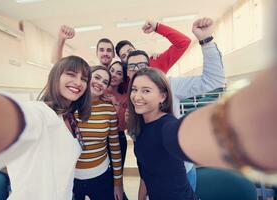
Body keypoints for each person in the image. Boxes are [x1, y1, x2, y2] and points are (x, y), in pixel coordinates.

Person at [127, 66, 277, 200]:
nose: (137, 96)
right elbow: (146, 173)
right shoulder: (140, 127)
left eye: (146, 90)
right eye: (134, 89)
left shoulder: (167, 126)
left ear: (163, 96)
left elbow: (183, 135)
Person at [126, 17, 225, 191]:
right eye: (131, 66)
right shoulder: (133, 97)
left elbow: (213, 80)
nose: (136, 69)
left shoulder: (170, 86)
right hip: (153, 176)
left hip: (180, 173)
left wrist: (206, 40)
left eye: (142, 64)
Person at [0, 55, 92, 200]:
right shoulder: (39, 112)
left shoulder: (68, 117)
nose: (78, 82)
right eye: (71, 74)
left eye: (84, 79)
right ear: (55, 77)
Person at [73, 66, 123, 200]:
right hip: (72, 178)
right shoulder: (70, 106)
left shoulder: (108, 110)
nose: (100, 83)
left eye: (105, 82)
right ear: (87, 78)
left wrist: (118, 183)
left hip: (101, 176)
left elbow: (115, 148)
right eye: (97, 77)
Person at [115, 20, 191, 73]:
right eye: (124, 56)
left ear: (136, 49)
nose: (129, 55)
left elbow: (183, 42)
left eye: (130, 51)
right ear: (123, 62)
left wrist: (157, 27)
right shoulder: (122, 78)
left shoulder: (156, 62)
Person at [101, 61, 129, 199]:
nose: (114, 75)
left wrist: (115, 104)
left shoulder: (125, 96)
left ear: (123, 78)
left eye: (119, 73)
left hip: (118, 137)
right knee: (103, 177)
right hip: (100, 138)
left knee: (117, 176)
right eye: (112, 70)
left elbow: (123, 125)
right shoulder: (99, 88)